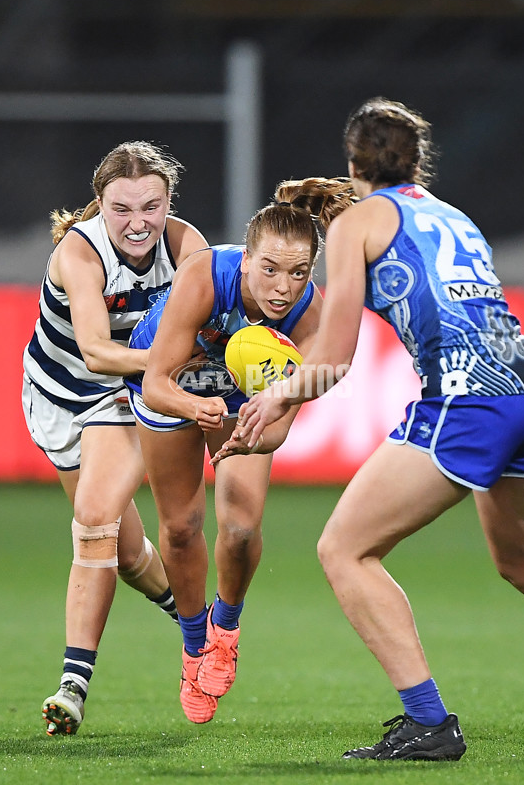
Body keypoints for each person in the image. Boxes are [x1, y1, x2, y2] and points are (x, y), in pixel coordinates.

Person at [231, 97, 524, 761]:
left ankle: (430, 725)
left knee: (343, 549)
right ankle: (428, 723)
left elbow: (335, 360)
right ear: (416, 159)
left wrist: (278, 397)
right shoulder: (453, 215)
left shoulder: (355, 225)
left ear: (355, 162)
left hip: (470, 399)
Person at [124, 177, 357, 724]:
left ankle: (225, 627)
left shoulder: (309, 318)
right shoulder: (204, 274)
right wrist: (191, 408)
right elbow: (156, 382)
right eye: (270, 268)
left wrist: (246, 427)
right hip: (176, 385)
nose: (283, 286)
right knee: (181, 527)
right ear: (246, 257)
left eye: (299, 273)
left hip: (239, 396)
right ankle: (192, 644)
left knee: (241, 527)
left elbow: (278, 430)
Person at [22, 140, 209, 736]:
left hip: (125, 395)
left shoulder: (186, 245)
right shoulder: (80, 253)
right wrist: (172, 354)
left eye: (151, 206)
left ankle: (73, 685)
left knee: (95, 518)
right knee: (127, 555)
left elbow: (217, 313)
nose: (138, 222)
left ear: (168, 201)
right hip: (57, 397)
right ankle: (198, 631)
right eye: (122, 208)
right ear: (99, 205)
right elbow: (98, 351)